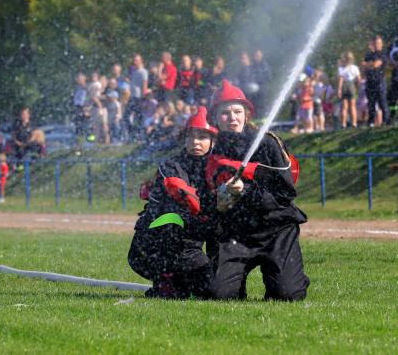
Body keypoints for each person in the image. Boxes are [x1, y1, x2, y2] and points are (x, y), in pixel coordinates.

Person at [206, 80, 308, 301]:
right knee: (219, 294)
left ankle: (290, 277)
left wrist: (246, 190)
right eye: (225, 113)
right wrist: (220, 197)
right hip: (236, 234)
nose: (232, 118)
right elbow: (209, 198)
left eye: (237, 111)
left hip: (276, 230)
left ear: (247, 114)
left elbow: (285, 194)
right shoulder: (212, 151)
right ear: (215, 118)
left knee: (287, 295)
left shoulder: (268, 144)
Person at [129, 106, 218, 299]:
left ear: (213, 141)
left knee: (213, 290)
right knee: (172, 220)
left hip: (190, 244)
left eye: (202, 137)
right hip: (152, 246)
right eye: (190, 137)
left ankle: (175, 283)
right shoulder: (171, 166)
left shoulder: (218, 168)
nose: (195, 142)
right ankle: (166, 279)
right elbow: (183, 205)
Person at [337, 51, 360, 128]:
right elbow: (359, 79)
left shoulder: (341, 68)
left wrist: (339, 89)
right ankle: (354, 123)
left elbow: (341, 79)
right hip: (351, 85)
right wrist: (357, 87)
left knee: (344, 107)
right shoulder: (355, 67)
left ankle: (343, 124)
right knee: (353, 106)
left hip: (344, 85)